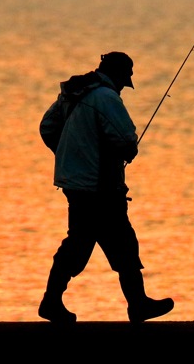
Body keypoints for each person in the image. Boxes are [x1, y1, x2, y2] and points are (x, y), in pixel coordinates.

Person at [38, 51, 174, 324]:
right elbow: (125, 139)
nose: (127, 84)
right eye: (127, 78)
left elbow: (48, 127)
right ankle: (137, 305)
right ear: (120, 74)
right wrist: (123, 152)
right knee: (119, 243)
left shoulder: (73, 93)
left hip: (77, 183)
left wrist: (71, 157)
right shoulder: (106, 98)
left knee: (81, 242)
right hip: (100, 187)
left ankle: (54, 301)